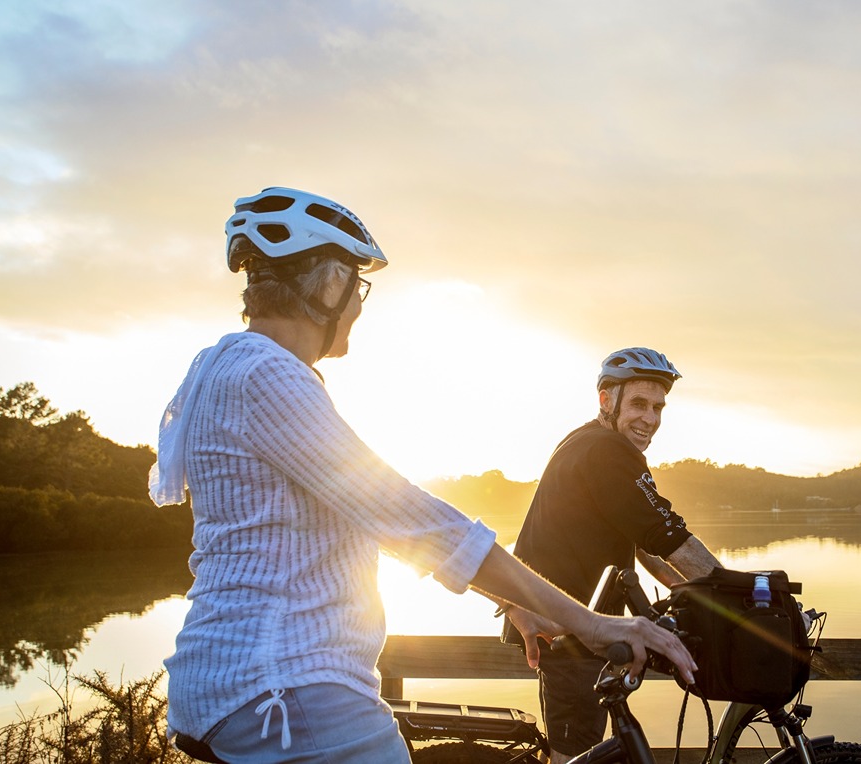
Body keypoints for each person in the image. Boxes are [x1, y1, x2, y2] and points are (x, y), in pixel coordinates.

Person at [149, 188, 696, 763]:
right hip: (282, 686)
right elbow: (413, 519)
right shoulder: (269, 376)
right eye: (356, 286)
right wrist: (590, 623)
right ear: (329, 285)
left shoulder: (225, 366)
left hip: (239, 684)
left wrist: (520, 603)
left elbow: (390, 529)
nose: (358, 305)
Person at [506, 347, 723, 763]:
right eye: (639, 404)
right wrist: (744, 595)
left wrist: (705, 594)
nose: (651, 418)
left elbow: (646, 546)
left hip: (582, 628)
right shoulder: (606, 450)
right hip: (566, 631)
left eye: (659, 407)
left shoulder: (589, 441)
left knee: (593, 749)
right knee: (575, 755)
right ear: (607, 400)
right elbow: (669, 536)